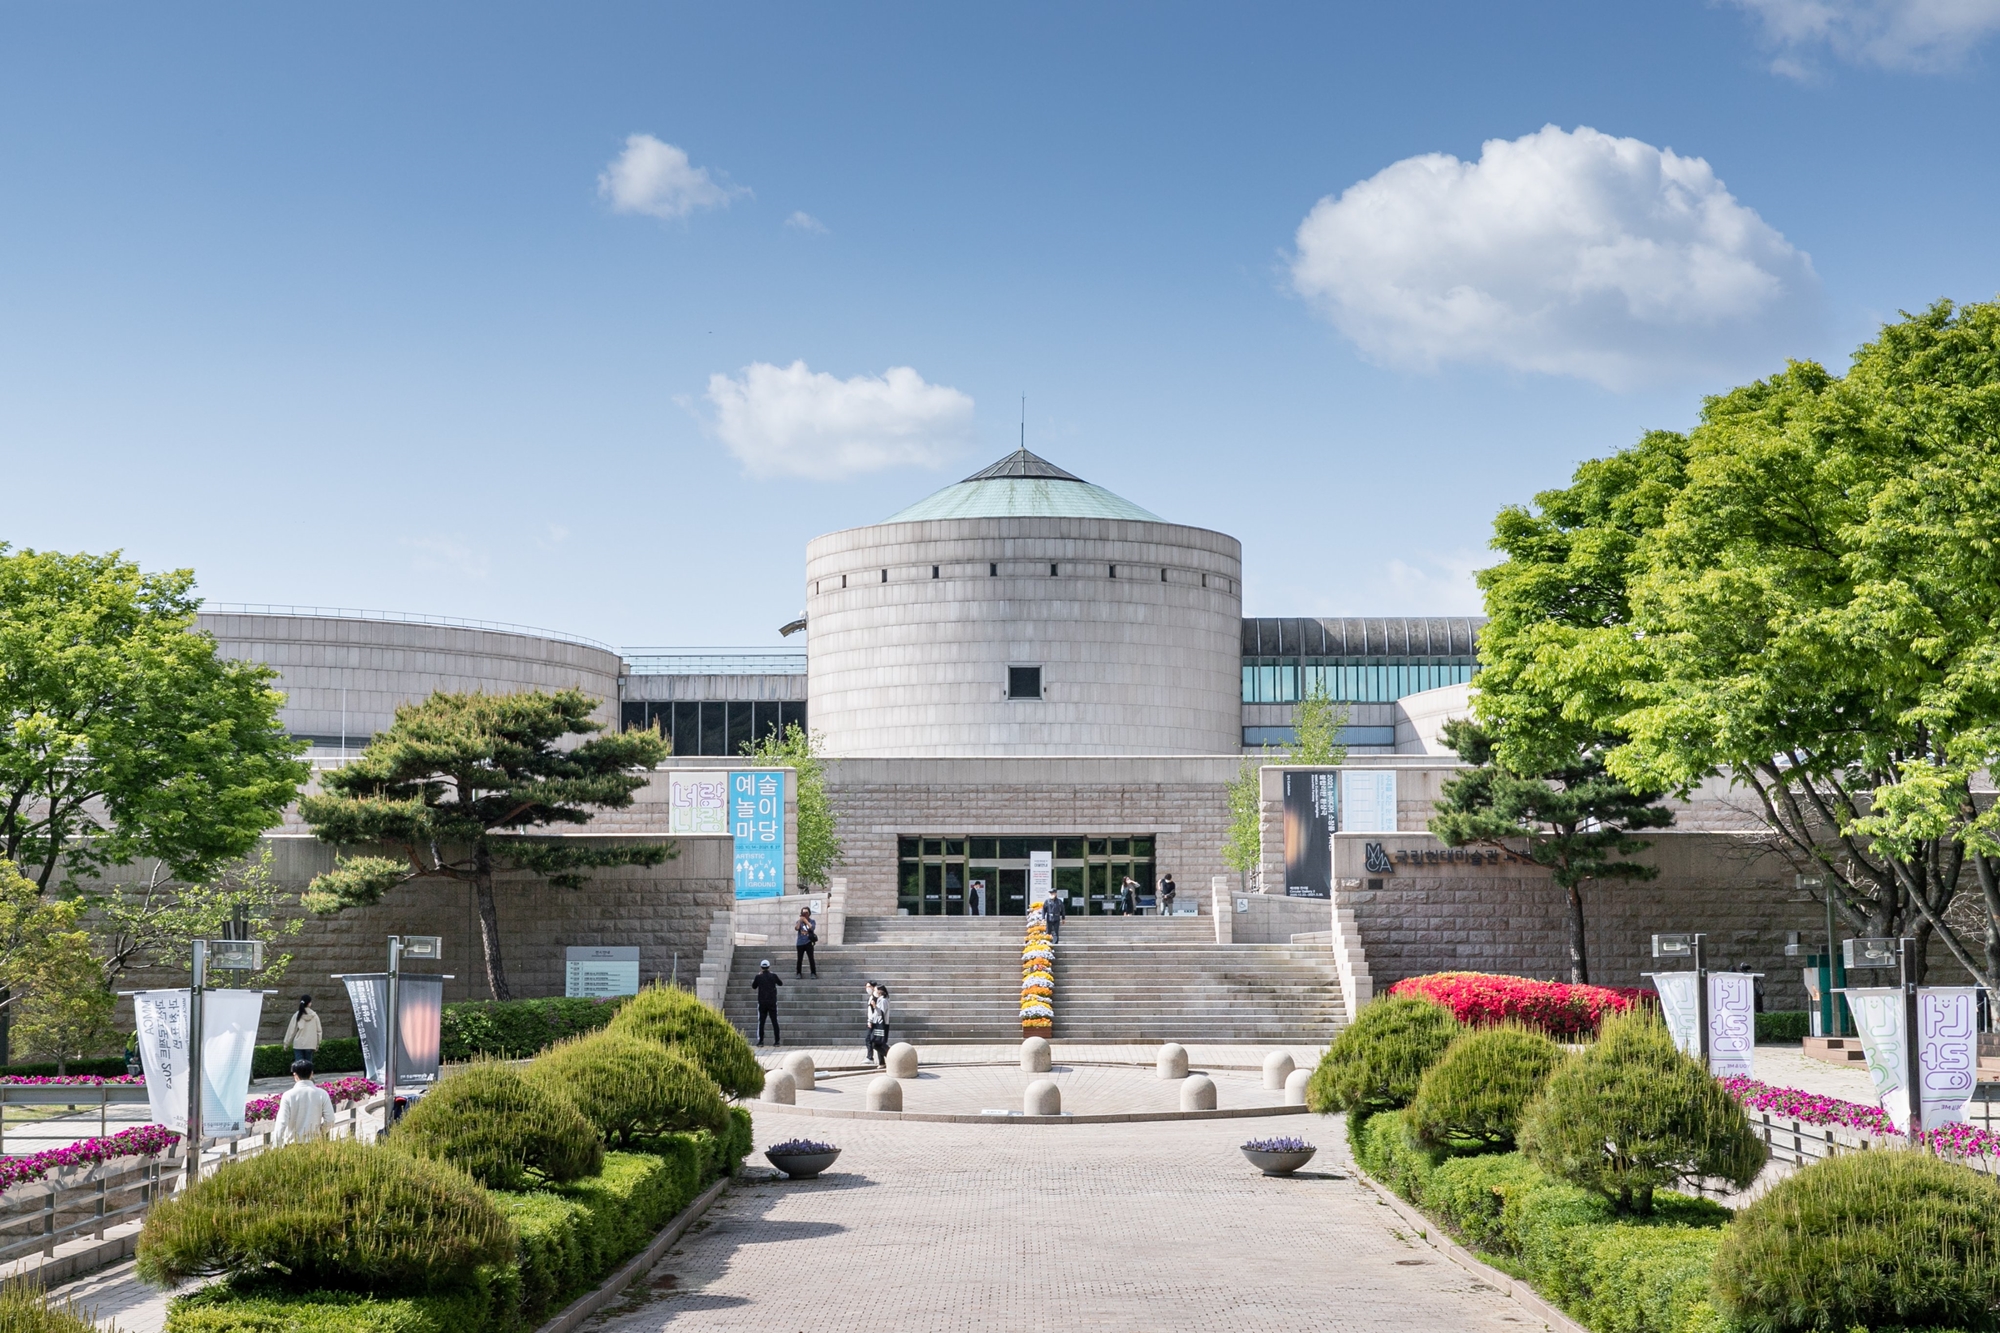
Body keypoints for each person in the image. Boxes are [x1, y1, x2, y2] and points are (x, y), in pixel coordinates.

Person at [272, 1059, 336, 1146]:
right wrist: (321, 1131)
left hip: (293, 1144)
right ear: (312, 1074)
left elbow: (281, 1123)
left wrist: (277, 1145)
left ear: (295, 1075)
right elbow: (330, 1120)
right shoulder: (322, 1093)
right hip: (315, 1143)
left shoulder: (288, 1095)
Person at [751, 959, 783, 1046]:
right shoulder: (773, 976)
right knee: (774, 1022)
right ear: (769, 967)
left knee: (761, 1022)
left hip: (762, 1002)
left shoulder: (758, 976)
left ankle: (761, 1041)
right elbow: (780, 983)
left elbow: (754, 986)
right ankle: (777, 1041)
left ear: (761, 967)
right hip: (772, 1002)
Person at [283, 995, 322, 1065]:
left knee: (298, 1066)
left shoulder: (297, 1015)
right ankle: (308, 1076)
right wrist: (317, 1045)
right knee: (308, 1065)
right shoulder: (314, 1016)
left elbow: (291, 1031)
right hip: (310, 1044)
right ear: (309, 1003)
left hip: (298, 1044)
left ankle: (299, 1076)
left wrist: (286, 1044)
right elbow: (319, 1031)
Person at [867, 983, 892, 1068]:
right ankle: (882, 1062)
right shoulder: (880, 1000)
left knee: (877, 1043)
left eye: (876, 990)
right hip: (877, 1024)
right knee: (878, 1042)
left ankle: (891, 1056)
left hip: (881, 1024)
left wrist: (875, 1006)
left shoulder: (884, 1001)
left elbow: (881, 1013)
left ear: (880, 991)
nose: (875, 991)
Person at [795, 907, 818, 978]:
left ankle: (813, 973)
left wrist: (806, 921)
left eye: (806, 912)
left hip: (809, 942)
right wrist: (800, 921)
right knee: (799, 959)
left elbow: (812, 928)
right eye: (803, 912)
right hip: (800, 942)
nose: (805, 914)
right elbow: (796, 928)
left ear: (809, 913)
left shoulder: (812, 921)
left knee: (811, 958)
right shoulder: (799, 921)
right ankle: (798, 973)